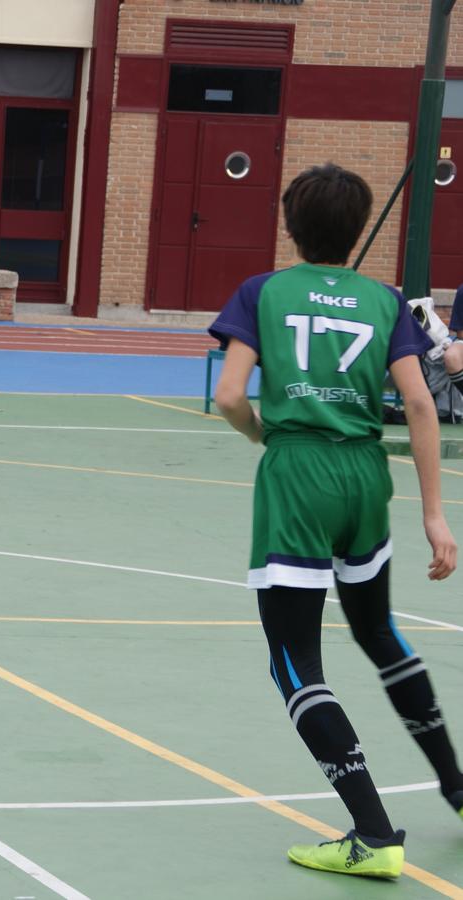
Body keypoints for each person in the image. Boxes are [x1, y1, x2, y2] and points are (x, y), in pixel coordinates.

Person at [209, 163, 463, 879]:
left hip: (298, 477)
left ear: (290, 224)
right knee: (379, 633)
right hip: (364, 479)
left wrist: (265, 434)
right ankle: (457, 787)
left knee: (294, 664)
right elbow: (420, 405)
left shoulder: (263, 292)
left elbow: (230, 394)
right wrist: (437, 516)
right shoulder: (384, 301)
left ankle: (373, 832)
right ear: (356, 234)